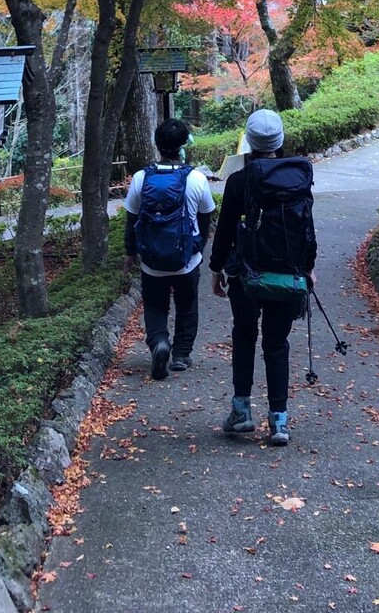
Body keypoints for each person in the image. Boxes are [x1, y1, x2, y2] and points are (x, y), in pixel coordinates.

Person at [208, 108, 317, 447]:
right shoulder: (298, 176)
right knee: (277, 342)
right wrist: (308, 267)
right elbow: (307, 227)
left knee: (244, 334)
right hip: (288, 273)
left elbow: (225, 229)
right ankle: (279, 420)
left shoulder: (240, 180)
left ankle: (241, 412)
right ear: (279, 141)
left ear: (249, 143)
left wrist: (216, 269)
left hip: (246, 273)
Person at [123, 117, 215, 379]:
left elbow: (132, 220)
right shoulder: (196, 178)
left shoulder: (142, 178)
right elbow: (206, 216)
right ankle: (182, 355)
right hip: (187, 259)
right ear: (184, 144)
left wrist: (130, 253)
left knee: (154, 306)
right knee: (187, 304)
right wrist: (199, 247)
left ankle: (159, 342)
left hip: (152, 261)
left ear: (157, 144)